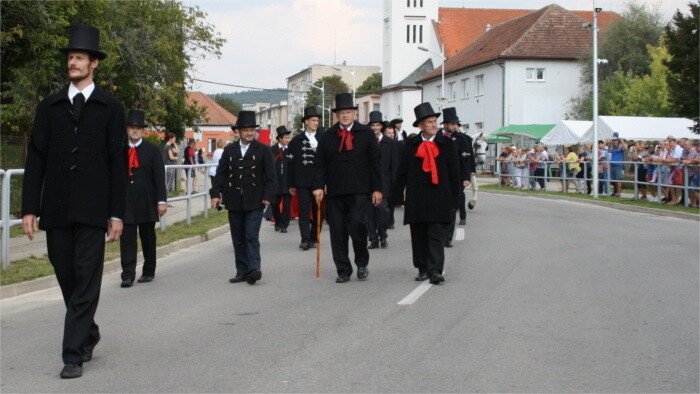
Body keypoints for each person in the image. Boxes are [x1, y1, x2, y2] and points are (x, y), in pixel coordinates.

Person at [21, 24, 126, 379]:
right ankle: (89, 332)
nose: (73, 62)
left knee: (87, 277)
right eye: (70, 57)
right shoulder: (49, 106)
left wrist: (117, 213)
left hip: (95, 210)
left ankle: (72, 354)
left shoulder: (110, 107)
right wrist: (30, 207)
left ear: (94, 63)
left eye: (79, 57)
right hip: (57, 207)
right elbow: (35, 157)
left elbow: (117, 161)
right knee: (66, 274)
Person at [312, 93, 382, 283]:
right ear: (337, 115)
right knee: (337, 231)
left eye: (348, 112)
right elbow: (320, 164)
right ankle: (343, 269)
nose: (345, 116)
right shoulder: (327, 136)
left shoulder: (366, 134)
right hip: (335, 191)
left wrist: (377, 189)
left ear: (354, 114)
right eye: (342, 112)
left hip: (360, 190)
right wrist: (318, 186)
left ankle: (361, 263)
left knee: (358, 226)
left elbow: (375, 162)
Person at [392, 102, 460, 284]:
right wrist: (397, 195)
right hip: (417, 196)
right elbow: (402, 172)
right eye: (429, 122)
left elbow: (455, 172)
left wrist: (456, 199)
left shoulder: (446, 144)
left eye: (434, 121)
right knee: (419, 234)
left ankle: (436, 270)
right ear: (420, 125)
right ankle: (422, 268)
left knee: (437, 233)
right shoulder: (411, 145)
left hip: (440, 196)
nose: (433, 125)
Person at [210, 111, 276, 285]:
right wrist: (215, 194)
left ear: (255, 132)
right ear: (238, 131)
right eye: (245, 130)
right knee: (238, 238)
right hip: (234, 200)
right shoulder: (229, 150)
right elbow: (221, 174)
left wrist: (268, 196)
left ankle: (254, 269)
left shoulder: (263, 150)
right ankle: (242, 271)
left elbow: (271, 177)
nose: (249, 133)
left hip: (255, 200)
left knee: (251, 236)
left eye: (252, 130)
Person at [120, 109, 167, 287]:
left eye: (138, 128)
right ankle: (127, 274)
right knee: (127, 238)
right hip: (126, 201)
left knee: (148, 237)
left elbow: (159, 177)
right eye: (132, 127)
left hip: (147, 199)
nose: (135, 131)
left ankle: (148, 270)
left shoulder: (152, 150)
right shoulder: (119, 149)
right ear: (127, 129)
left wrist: (161, 201)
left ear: (143, 131)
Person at [288, 106, 324, 250]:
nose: (316, 123)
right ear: (306, 122)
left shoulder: (323, 138)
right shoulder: (296, 140)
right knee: (303, 210)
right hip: (302, 181)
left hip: (319, 181)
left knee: (318, 210)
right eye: (313, 120)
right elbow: (290, 163)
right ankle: (304, 238)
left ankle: (315, 237)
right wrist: (290, 183)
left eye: (317, 120)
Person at [439, 107, 471, 247]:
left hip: (456, 178)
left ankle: (448, 237)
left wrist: (466, 177)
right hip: (440, 178)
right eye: (452, 124)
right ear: (445, 124)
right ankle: (439, 234)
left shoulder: (461, 138)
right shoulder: (437, 137)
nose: (455, 127)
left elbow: (465, 159)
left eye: (456, 124)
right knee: (440, 207)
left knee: (452, 207)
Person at [366, 111, 397, 249]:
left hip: (384, 182)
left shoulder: (389, 142)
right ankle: (373, 238)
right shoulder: (365, 141)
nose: (375, 128)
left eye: (377, 125)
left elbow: (394, 165)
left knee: (383, 210)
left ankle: (383, 235)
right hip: (368, 183)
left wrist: (394, 183)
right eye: (372, 125)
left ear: (381, 127)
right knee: (370, 212)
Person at [270, 126, 292, 233]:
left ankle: (284, 225)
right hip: (276, 181)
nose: (288, 140)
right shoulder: (272, 150)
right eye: (286, 138)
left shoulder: (291, 150)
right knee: (275, 203)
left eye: (289, 137)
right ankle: (277, 221)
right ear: (280, 138)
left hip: (288, 181)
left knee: (287, 205)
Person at [382, 123, 400, 229]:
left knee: (390, 201)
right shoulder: (383, 144)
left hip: (392, 175)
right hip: (384, 176)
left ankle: (390, 221)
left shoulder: (398, 144)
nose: (391, 135)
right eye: (388, 133)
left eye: (392, 133)